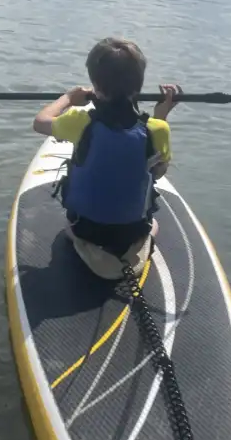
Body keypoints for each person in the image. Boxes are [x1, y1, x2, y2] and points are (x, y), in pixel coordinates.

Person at [32, 37, 181, 281]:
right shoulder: (157, 129)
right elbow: (158, 172)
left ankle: (84, 244)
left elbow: (40, 122)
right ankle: (135, 249)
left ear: (96, 85)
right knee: (154, 226)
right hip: (132, 233)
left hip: (85, 230)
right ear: (139, 85)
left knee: (69, 230)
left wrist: (68, 98)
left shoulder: (80, 121)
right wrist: (161, 115)